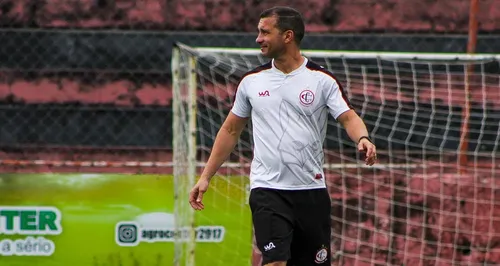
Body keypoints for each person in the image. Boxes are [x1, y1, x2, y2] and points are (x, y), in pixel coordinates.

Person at [189, 6, 377, 266]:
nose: (258, 39)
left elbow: (348, 117)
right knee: (275, 261)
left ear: (287, 36)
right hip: (267, 189)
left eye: (265, 32)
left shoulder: (322, 80)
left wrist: (362, 138)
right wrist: (205, 177)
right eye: (258, 32)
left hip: (311, 191)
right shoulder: (252, 81)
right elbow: (231, 129)